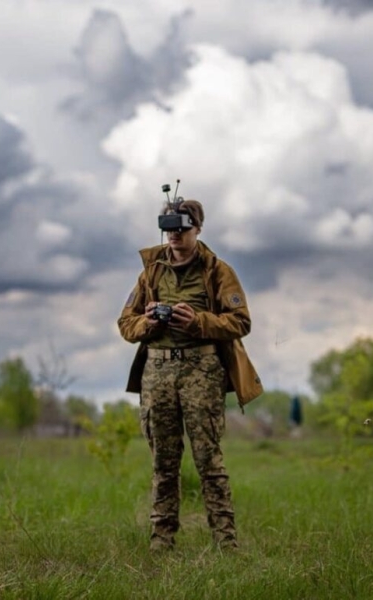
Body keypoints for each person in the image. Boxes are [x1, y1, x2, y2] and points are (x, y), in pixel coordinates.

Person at [117, 196, 262, 552]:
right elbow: (125, 322)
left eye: (182, 228)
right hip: (158, 372)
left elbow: (240, 321)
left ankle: (226, 543)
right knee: (163, 464)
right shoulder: (150, 272)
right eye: (169, 229)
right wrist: (148, 323)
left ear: (197, 228)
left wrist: (198, 321)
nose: (175, 236)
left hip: (202, 370)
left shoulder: (217, 270)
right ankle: (161, 542)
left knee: (208, 461)